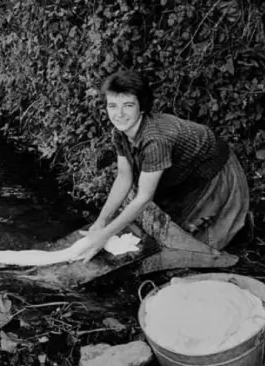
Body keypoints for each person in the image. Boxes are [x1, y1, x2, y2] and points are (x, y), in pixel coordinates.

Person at [76, 70, 250, 258]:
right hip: (182, 170)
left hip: (213, 169)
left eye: (128, 105)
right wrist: (101, 222)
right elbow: (124, 177)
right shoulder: (120, 132)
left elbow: (144, 198)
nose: (119, 114)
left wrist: (104, 236)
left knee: (199, 242)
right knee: (170, 220)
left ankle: (239, 230)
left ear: (141, 106)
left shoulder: (156, 140)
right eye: (112, 106)